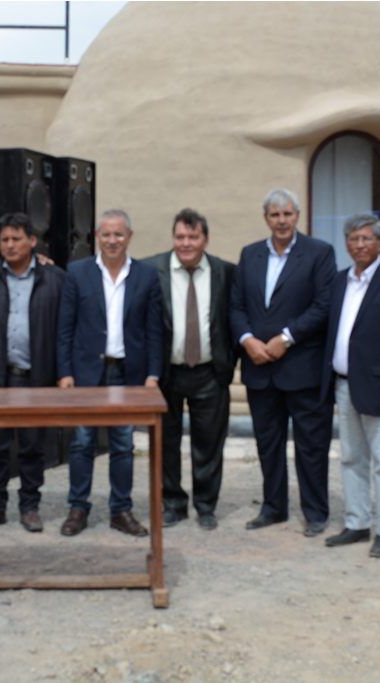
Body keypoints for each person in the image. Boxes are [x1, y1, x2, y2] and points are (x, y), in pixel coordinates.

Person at [229, 188, 337, 535]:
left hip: (301, 366)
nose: (281, 221)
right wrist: (248, 341)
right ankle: (273, 507)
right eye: (275, 215)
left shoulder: (319, 253)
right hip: (260, 368)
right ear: (266, 219)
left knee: (311, 445)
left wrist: (286, 338)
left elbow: (323, 305)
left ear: (297, 216)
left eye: (287, 214)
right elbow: (236, 306)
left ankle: (315, 511)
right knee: (268, 444)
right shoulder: (249, 255)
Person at [57, 209, 163, 537]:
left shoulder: (146, 275)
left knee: (123, 443)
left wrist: (153, 375)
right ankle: (78, 507)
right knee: (82, 442)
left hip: (127, 373)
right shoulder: (77, 273)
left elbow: (154, 330)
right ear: (96, 237)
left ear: (129, 236)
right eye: (106, 234)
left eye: (119, 234)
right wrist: (65, 372)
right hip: (87, 372)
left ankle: (121, 510)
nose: (112, 240)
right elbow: (65, 328)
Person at [321, 213, 380, 559]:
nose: (359, 244)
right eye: (353, 239)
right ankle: (357, 522)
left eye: (366, 238)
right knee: (351, 457)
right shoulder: (338, 281)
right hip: (344, 385)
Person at [0, 212, 65, 533]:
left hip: (35, 377)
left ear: (32, 241)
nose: (10, 245)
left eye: (16, 239)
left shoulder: (54, 278)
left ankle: (30, 506)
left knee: (31, 446)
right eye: (4, 240)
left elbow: (64, 331)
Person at [147, 208, 236, 530]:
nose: (185, 243)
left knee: (209, 442)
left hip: (210, 373)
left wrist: (229, 363)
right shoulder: (150, 269)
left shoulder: (225, 272)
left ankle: (206, 505)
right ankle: (172, 503)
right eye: (180, 237)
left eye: (193, 237)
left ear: (205, 239)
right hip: (166, 374)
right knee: (165, 442)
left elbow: (233, 319)